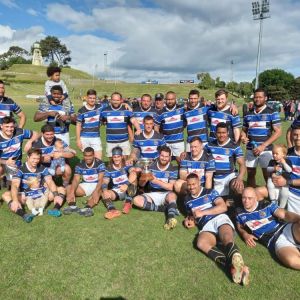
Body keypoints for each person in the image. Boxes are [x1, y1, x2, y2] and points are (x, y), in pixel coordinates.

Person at [183, 173, 250, 285]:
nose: (191, 187)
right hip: (205, 225)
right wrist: (188, 220)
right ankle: (235, 268)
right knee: (201, 243)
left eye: (194, 184)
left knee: (227, 237)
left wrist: (203, 212)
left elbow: (223, 207)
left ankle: (235, 264)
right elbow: (191, 215)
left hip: (219, 218)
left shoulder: (210, 192)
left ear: (199, 182)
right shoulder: (187, 199)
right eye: (189, 185)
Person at [236, 187, 300, 270]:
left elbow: (285, 214)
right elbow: (239, 226)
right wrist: (245, 234)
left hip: (286, 229)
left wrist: (298, 219)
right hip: (276, 241)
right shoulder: (239, 213)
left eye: (249, 198)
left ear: (255, 198)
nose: (246, 201)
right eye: (244, 198)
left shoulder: (266, 205)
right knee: (291, 261)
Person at [1, 148, 66, 222]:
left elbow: (50, 181)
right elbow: (15, 185)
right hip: (26, 196)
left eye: (38, 159)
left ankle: (55, 209)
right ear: (28, 157)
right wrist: (15, 200)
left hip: (41, 194)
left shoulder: (42, 168)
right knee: (5, 195)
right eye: (33, 158)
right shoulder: (21, 169)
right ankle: (24, 214)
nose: (36, 161)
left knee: (61, 189)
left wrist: (56, 195)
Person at [241, 88, 282, 187]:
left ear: (266, 98)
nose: (257, 99)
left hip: (266, 150)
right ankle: (253, 196)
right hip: (251, 149)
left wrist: (263, 146)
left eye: (260, 97)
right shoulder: (248, 114)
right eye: (255, 97)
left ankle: (272, 198)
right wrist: (243, 137)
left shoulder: (272, 112)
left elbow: (278, 131)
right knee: (250, 174)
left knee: (268, 175)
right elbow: (244, 130)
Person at [133, 145, 179, 230]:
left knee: (172, 196)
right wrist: (144, 178)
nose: (164, 158)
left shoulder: (172, 169)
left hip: (166, 194)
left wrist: (155, 180)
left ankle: (170, 218)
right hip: (151, 194)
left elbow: (171, 187)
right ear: (158, 155)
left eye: (166, 156)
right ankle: (163, 209)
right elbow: (141, 185)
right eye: (162, 156)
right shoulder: (150, 165)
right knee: (136, 200)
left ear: (169, 157)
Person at [205, 123, 246, 199]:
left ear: (228, 133)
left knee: (239, 187)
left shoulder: (234, 146)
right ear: (215, 133)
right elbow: (199, 154)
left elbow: (242, 164)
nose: (221, 135)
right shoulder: (209, 145)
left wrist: (240, 178)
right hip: (215, 179)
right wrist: (186, 154)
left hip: (229, 177)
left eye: (223, 133)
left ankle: (240, 209)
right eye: (219, 133)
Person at [63, 147, 105, 217]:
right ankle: (72, 206)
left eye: (90, 156)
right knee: (68, 188)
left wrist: (96, 191)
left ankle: (87, 208)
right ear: (83, 155)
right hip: (85, 185)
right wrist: (72, 192)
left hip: (97, 185)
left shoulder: (100, 163)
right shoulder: (79, 164)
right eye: (86, 156)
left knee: (100, 189)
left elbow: (101, 179)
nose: (88, 158)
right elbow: (76, 179)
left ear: (93, 155)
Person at [100, 92, 141, 158]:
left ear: (121, 100)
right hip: (111, 141)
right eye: (114, 100)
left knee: (124, 162)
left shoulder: (126, 110)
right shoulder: (104, 111)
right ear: (110, 100)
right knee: (112, 162)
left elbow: (133, 120)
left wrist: (138, 129)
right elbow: (100, 122)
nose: (115, 102)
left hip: (124, 141)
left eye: (117, 100)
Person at [101, 147, 137, 219]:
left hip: (128, 189)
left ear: (122, 157)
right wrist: (105, 190)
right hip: (117, 191)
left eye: (118, 157)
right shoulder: (108, 169)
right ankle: (113, 210)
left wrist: (126, 184)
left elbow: (134, 174)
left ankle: (128, 202)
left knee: (134, 181)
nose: (116, 159)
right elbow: (105, 181)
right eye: (114, 157)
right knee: (104, 193)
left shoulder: (127, 164)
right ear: (112, 158)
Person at [0, 116, 38, 181]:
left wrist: (30, 141)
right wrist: (6, 162)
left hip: (15, 164)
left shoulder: (19, 132)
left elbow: (36, 134)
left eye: (11, 127)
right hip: (2, 162)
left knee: (16, 186)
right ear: (1, 126)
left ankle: (7, 180)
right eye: (7, 127)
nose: (9, 129)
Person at [155, 91, 185, 162]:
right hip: (166, 142)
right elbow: (156, 127)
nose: (170, 101)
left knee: (181, 162)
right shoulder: (160, 112)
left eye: (172, 99)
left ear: (175, 99)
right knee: (166, 162)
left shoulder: (181, 109)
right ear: (165, 100)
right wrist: (160, 139)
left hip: (178, 142)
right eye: (168, 99)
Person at [76, 89, 102, 159]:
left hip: (96, 137)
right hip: (84, 138)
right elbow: (78, 125)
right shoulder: (81, 110)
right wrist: (78, 140)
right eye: (90, 98)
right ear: (86, 98)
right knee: (88, 159)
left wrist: (125, 103)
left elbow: (112, 105)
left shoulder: (100, 107)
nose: (92, 100)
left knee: (98, 159)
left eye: (94, 98)